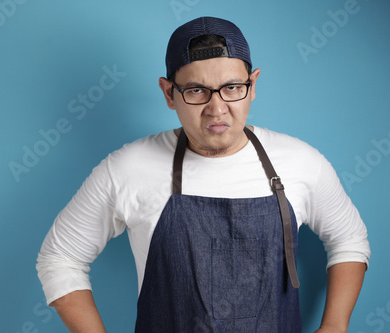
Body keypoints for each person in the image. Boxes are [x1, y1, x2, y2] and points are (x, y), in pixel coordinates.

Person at [36, 16, 370, 333]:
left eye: (232, 87)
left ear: (252, 85)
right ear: (169, 93)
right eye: (197, 90)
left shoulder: (301, 162)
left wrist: (335, 325)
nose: (217, 107)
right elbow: (59, 258)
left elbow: (350, 240)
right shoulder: (128, 168)